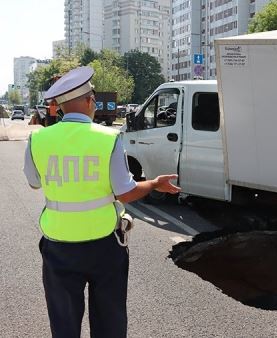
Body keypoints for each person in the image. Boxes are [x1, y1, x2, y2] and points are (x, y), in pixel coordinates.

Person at [22, 66, 181, 337]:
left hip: (58, 245)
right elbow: (126, 192)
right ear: (88, 101)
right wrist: (154, 184)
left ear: (61, 107)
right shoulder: (108, 138)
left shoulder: (38, 138)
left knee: (64, 323)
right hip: (104, 245)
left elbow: (34, 182)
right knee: (109, 321)